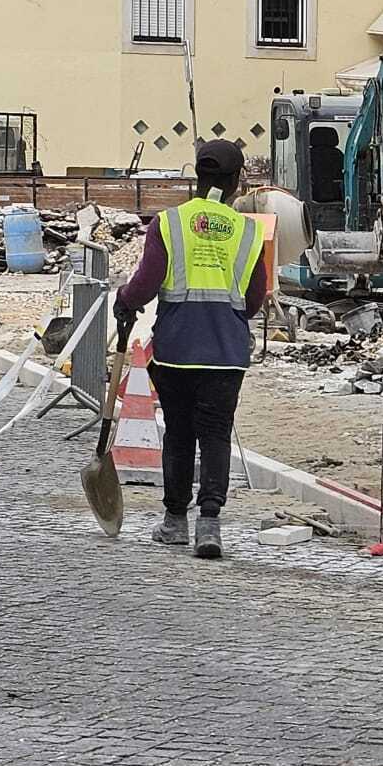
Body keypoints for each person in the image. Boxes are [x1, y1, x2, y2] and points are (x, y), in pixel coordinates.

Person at [114, 139, 266, 560]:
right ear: (236, 183)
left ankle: (175, 521)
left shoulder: (169, 223)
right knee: (215, 435)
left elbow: (146, 281)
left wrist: (125, 301)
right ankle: (210, 524)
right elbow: (255, 298)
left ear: (197, 178)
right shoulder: (249, 231)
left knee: (179, 434)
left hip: (177, 349)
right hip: (226, 352)